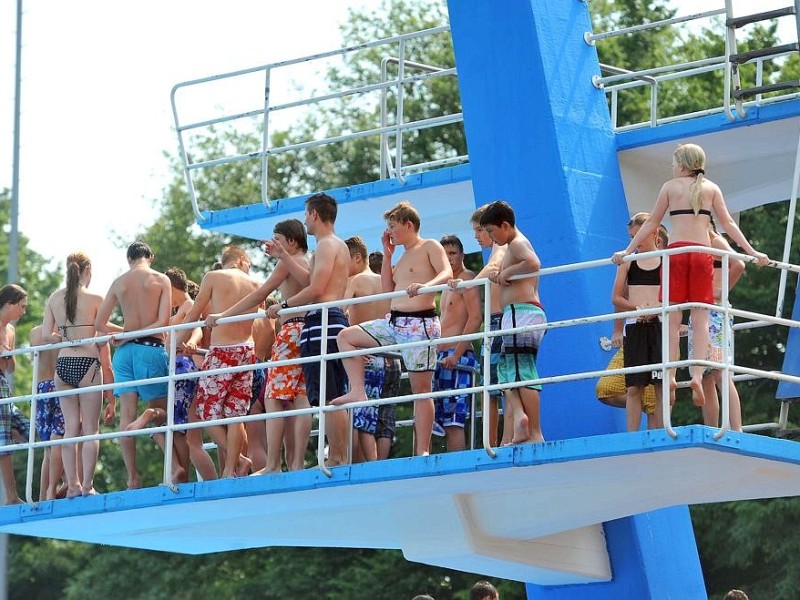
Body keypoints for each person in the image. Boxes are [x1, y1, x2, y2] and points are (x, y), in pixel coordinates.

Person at [612, 143, 769, 410]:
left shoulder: (670, 187)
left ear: (682, 166)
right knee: (701, 320)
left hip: (676, 254)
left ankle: (671, 375)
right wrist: (752, 252)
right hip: (701, 255)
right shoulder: (712, 189)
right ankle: (697, 375)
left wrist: (627, 251)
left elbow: (651, 223)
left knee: (672, 321)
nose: (672, 169)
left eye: (674, 164)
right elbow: (729, 224)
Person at [333, 201, 452, 457]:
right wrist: (387, 256)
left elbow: (446, 272)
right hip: (394, 321)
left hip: (420, 323)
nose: (389, 232)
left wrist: (425, 285)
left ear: (408, 225)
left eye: (393, 226)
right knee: (345, 337)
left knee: (421, 390)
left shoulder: (429, 245)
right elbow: (387, 291)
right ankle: (358, 390)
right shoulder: (401, 254)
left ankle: (422, 450)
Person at [208, 219, 312, 473]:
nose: (272, 244)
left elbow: (259, 294)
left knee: (273, 397)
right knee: (300, 397)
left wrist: (223, 316)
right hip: (308, 329)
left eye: (277, 239)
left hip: (291, 331)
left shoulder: (288, 262)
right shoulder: (311, 260)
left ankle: (275, 465)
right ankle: (296, 462)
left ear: (290, 240)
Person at [266, 194, 352, 467]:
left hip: (323, 321)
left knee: (331, 396)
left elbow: (317, 289)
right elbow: (308, 279)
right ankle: (339, 456)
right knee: (327, 395)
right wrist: (283, 256)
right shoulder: (332, 246)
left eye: (306, 214)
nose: (304, 220)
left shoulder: (327, 245)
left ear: (314, 214)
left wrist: (283, 305)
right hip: (328, 320)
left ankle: (338, 458)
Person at [95, 241, 172, 490]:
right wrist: (133, 334)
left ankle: (132, 479)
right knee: (162, 414)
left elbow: (100, 323)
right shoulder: (161, 280)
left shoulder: (119, 282)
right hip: (150, 350)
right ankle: (172, 469)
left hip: (124, 354)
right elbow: (162, 322)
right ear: (150, 256)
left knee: (126, 416)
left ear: (129, 259)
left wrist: (126, 334)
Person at [179, 245, 260, 478]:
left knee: (205, 413)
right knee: (236, 414)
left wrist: (178, 343)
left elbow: (194, 314)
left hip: (223, 351)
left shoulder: (214, 277)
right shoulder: (254, 284)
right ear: (242, 260)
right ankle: (230, 468)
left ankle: (239, 462)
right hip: (247, 350)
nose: (249, 268)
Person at [43, 253, 115, 497]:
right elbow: (103, 328)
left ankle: (71, 486)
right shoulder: (96, 298)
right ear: (87, 270)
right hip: (88, 364)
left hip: (63, 365)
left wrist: (66, 338)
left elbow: (46, 335)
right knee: (91, 430)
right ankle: (87, 486)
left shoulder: (54, 298)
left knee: (70, 428)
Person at [126, 267, 203, 483]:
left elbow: (198, 328)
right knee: (173, 426)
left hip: (180, 365)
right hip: (173, 367)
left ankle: (180, 473)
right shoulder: (179, 310)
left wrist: (193, 342)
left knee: (177, 426)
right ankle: (178, 472)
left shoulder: (189, 305)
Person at [480, 201, 546, 445]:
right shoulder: (509, 246)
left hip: (523, 313)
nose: (490, 237)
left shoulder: (517, 243)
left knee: (522, 371)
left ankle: (535, 432)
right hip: (514, 313)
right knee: (505, 371)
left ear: (505, 225)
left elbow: (534, 263)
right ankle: (520, 418)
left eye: (491, 231)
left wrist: (506, 274)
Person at [343, 236, 400, 462]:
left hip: (363, 354)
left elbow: (339, 309)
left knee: (362, 417)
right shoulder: (386, 281)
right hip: (388, 355)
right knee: (382, 416)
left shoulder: (356, 281)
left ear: (357, 258)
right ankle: (380, 464)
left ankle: (368, 465)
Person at [688, 221, 746, 430]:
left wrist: (722, 292)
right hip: (699, 310)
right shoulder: (696, 244)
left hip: (715, 312)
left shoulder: (716, 241)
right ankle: (711, 428)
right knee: (704, 375)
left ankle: (736, 428)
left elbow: (739, 264)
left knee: (721, 373)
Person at [611, 213, 665, 431]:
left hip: (660, 326)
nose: (635, 242)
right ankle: (631, 437)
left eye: (638, 236)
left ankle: (662, 432)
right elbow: (616, 297)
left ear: (654, 233)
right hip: (635, 327)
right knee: (634, 386)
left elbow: (675, 295)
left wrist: (657, 310)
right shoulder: (627, 262)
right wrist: (638, 309)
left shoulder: (667, 258)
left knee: (661, 384)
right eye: (632, 237)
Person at [461, 205, 509, 446]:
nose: (477, 236)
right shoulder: (496, 249)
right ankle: (494, 440)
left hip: (499, 321)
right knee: (490, 385)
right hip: (495, 322)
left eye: (480, 230)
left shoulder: (500, 247)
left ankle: (501, 440)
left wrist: (467, 285)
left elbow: (493, 267)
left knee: (499, 384)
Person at [434, 235, 481, 452]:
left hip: (458, 357)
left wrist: (456, 354)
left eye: (452, 253)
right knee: (439, 420)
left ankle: (458, 469)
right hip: (443, 358)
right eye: (445, 254)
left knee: (454, 421)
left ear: (462, 255)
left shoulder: (466, 278)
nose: (449, 258)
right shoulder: (446, 285)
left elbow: (475, 318)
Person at [29, 325, 65, 501]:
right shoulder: (65, 330)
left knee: (47, 449)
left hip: (40, 389)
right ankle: (62, 486)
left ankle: (44, 495)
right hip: (60, 387)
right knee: (62, 441)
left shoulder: (36, 333)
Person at [0, 284, 27, 505]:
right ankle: (11, 496)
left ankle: (65, 482)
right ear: (9, 304)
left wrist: (10, 356)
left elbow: (11, 369)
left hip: (3, 385)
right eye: (21, 306)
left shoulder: (10, 330)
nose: (23, 311)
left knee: (32, 431)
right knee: (4, 440)